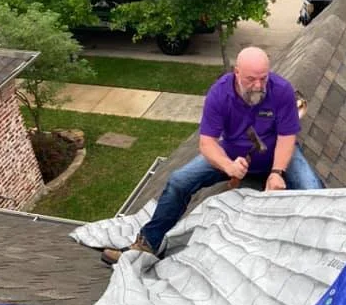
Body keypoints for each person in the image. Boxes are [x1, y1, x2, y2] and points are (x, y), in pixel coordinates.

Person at [101, 47, 324, 264]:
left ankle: (323, 256)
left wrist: (277, 172)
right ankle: (148, 244)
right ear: (237, 73)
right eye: (250, 79)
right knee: (179, 181)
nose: (258, 86)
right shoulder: (219, 94)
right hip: (232, 153)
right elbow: (207, 143)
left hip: (276, 153)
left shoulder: (282, 90)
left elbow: (287, 137)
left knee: (314, 191)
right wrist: (228, 166)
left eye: (263, 79)